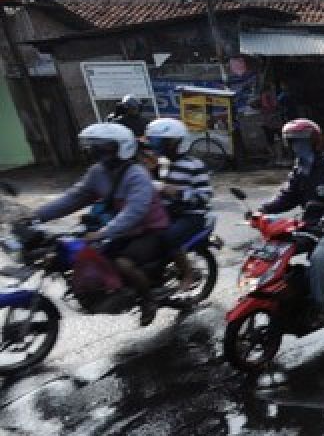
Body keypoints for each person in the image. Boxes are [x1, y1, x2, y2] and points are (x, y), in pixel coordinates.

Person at [33, 123, 168, 325]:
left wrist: (103, 232)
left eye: (102, 148)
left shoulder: (137, 174)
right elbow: (74, 197)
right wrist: (36, 216)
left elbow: (135, 212)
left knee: (123, 263)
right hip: (119, 230)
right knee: (91, 256)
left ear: (121, 148)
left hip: (148, 229)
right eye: (94, 148)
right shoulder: (98, 172)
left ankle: (148, 300)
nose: (96, 152)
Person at [257, 119, 324, 323]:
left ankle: (318, 306)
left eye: (301, 142)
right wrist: (263, 210)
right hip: (309, 228)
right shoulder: (300, 169)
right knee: (274, 252)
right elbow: (287, 196)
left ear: (315, 142)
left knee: (319, 260)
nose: (297, 147)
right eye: (293, 142)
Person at [145, 117, 212, 294]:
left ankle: (187, 274)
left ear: (175, 142)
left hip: (191, 215)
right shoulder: (164, 165)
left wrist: (178, 192)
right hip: (168, 212)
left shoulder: (194, 165)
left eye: (161, 142)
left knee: (169, 236)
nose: (156, 146)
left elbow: (205, 196)